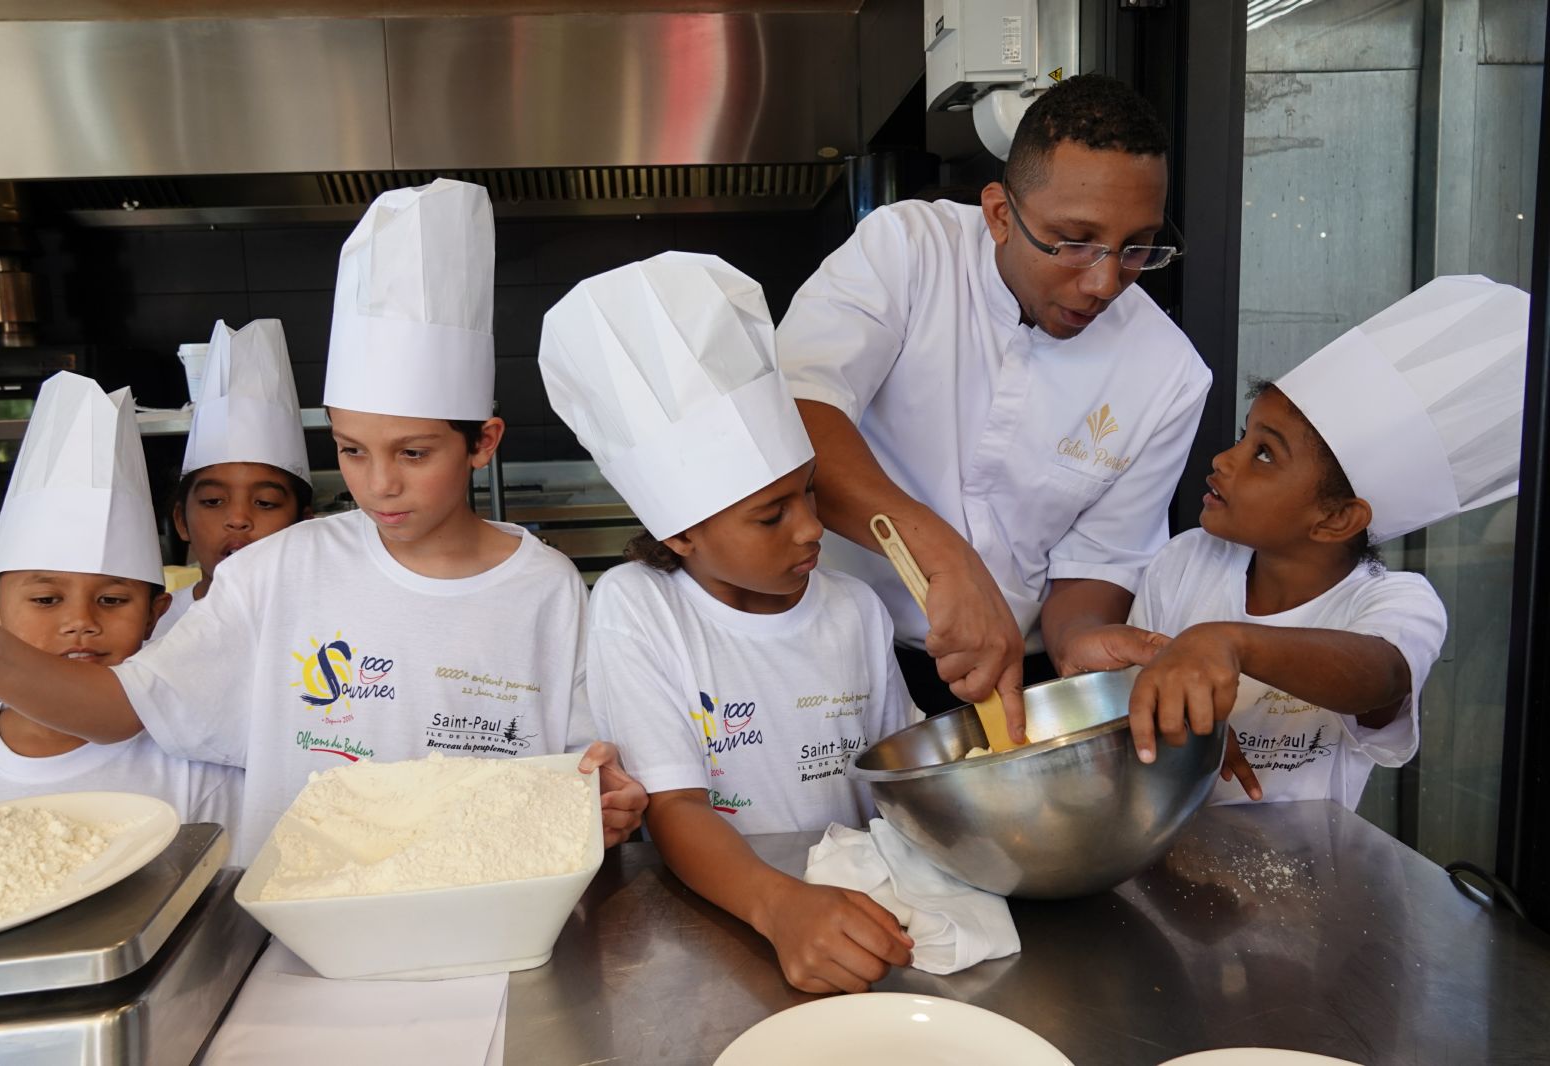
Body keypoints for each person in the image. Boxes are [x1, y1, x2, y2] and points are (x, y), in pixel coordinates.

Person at [0, 179, 644, 864]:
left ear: (483, 443)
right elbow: (122, 710)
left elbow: (579, 775)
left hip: (497, 918)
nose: (380, 483)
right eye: (350, 450)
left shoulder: (546, 589)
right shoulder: (280, 571)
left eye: (414, 452)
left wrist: (603, 804)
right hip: (307, 937)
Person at [775, 73, 1211, 737]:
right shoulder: (908, 252)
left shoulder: (1169, 372)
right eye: (1074, 240)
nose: (1103, 282)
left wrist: (1081, 644)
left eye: (1135, 248)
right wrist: (945, 558)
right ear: (1000, 215)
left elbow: (1094, 565)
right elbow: (794, 414)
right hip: (833, 655)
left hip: (1016, 676)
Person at [540, 252, 917, 994]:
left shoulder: (855, 609)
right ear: (681, 533)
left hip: (860, 912)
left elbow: (896, 775)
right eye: (771, 515)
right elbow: (676, 807)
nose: (811, 530)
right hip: (712, 925)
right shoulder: (638, 607)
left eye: (806, 494)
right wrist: (780, 908)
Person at [1117, 276, 1527, 808]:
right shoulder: (1186, 561)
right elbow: (1126, 704)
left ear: (1336, 519)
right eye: (1245, 435)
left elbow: (1379, 677)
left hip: (1306, 875)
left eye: (1264, 454)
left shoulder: (1396, 601)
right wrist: (1187, 741)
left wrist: (1227, 642)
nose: (1225, 459)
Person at [0, 372, 242, 832]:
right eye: (47, 599)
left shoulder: (196, 766)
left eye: (111, 599)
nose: (80, 622)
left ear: (154, 615)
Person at [158, 318, 313, 637]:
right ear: (181, 521)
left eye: (266, 503)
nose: (238, 519)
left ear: (302, 526)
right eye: (213, 501)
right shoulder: (151, 629)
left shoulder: (329, 623)